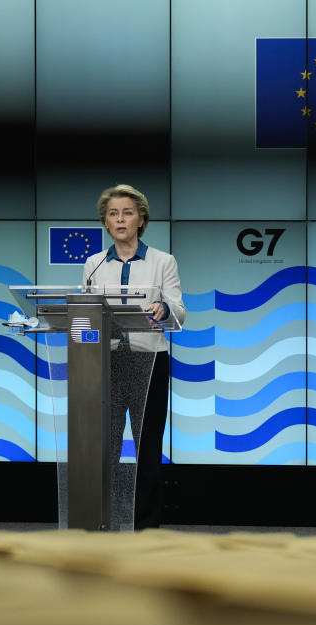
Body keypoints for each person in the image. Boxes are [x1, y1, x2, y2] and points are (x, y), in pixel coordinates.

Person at [83, 184, 187, 529]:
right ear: (105, 222)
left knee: (146, 447)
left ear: (141, 219)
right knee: (106, 448)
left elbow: (180, 311)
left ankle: (145, 525)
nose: (120, 219)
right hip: (107, 361)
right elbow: (85, 314)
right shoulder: (93, 264)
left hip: (149, 361)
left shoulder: (163, 261)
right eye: (113, 213)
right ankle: (106, 519)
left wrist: (164, 307)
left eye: (127, 212)